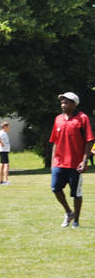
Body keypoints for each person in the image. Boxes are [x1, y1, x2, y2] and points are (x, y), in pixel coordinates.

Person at [49, 92, 95, 228]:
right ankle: (69, 212)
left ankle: (76, 221)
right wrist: (53, 162)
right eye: (62, 102)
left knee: (76, 193)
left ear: (74, 104)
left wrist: (84, 160)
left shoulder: (82, 118)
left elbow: (89, 141)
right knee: (55, 188)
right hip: (59, 162)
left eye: (66, 102)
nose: (63, 105)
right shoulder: (58, 119)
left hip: (76, 164)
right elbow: (55, 142)